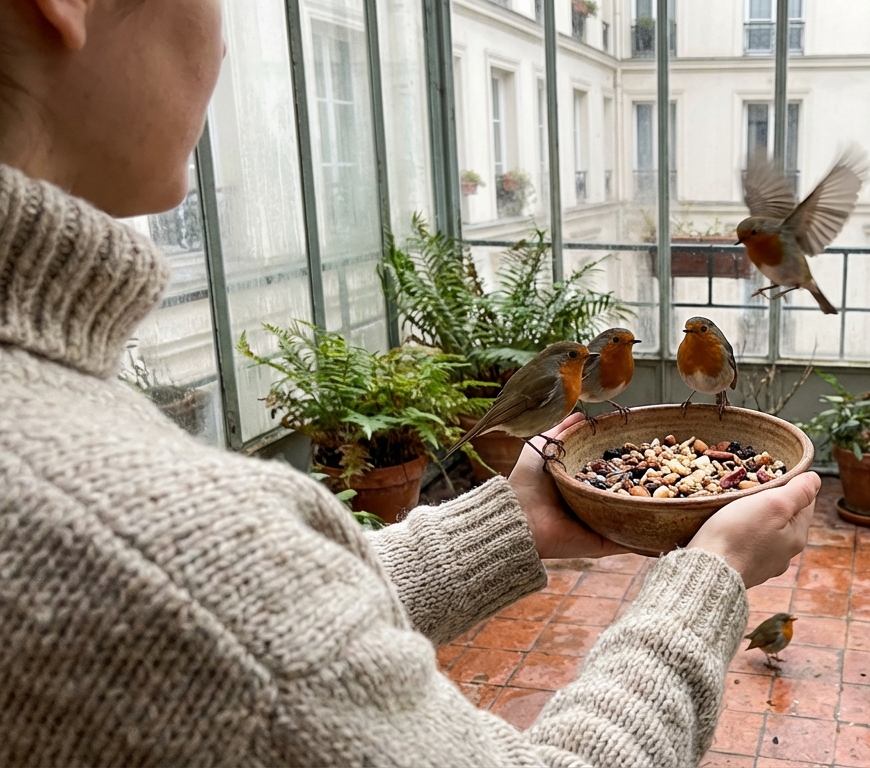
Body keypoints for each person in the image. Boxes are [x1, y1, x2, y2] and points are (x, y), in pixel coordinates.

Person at [0, 1, 821, 765]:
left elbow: (267, 618)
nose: (221, 38)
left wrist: (508, 526)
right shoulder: (97, 523)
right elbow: (225, 625)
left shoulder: (56, 421)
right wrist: (708, 581)